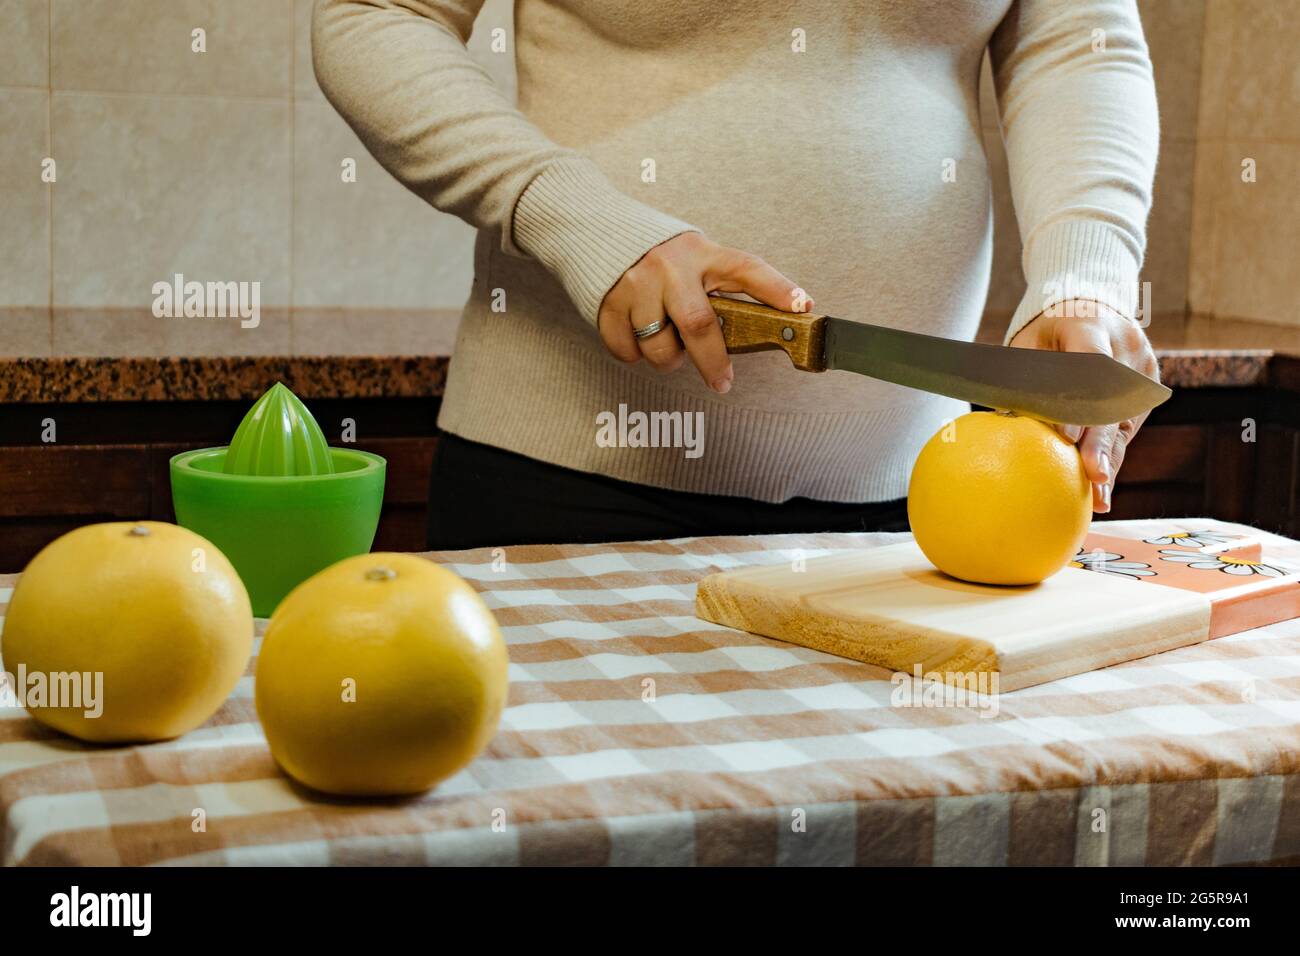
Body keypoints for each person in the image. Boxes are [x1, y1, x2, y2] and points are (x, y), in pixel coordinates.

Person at [312, 0, 1160, 550]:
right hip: (565, 486)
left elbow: (1080, 47)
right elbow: (377, 14)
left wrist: (1083, 278)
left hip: (930, 503)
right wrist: (572, 213)